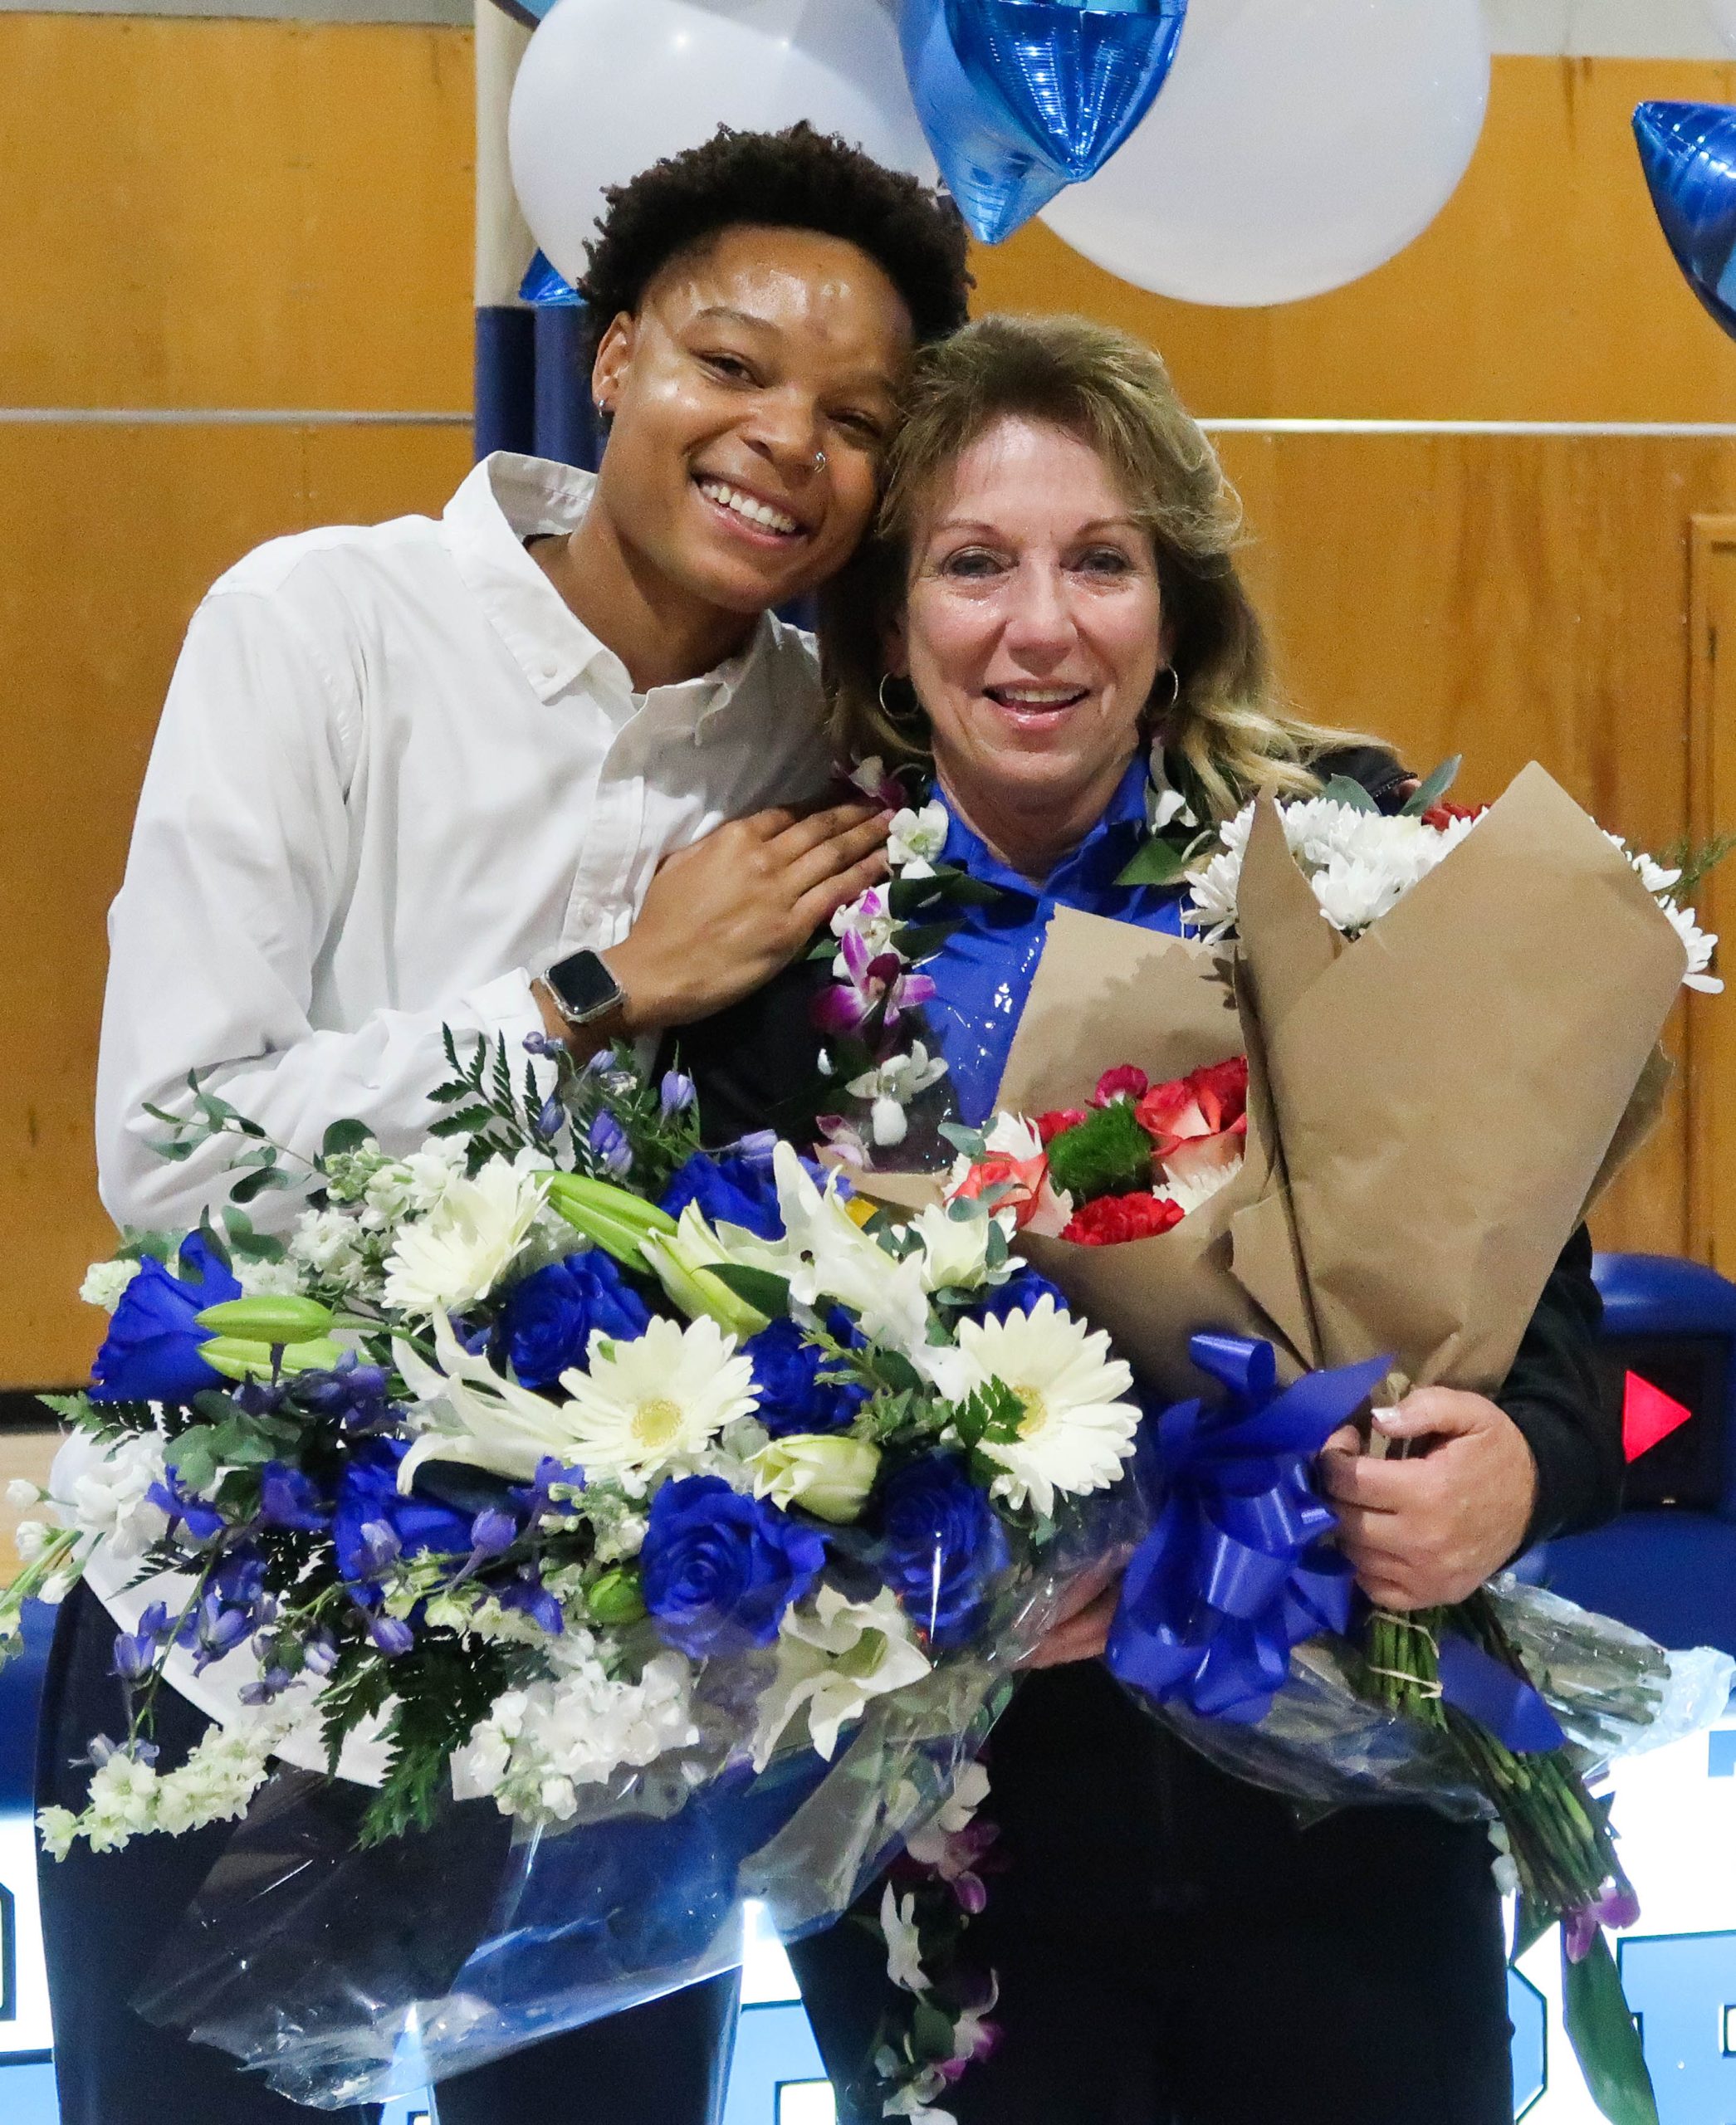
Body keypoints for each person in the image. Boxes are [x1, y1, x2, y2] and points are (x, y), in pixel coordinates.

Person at [45, 125, 971, 2125]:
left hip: (622, 1680)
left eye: (851, 418)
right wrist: (598, 987)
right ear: (617, 351)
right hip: (240, 1629)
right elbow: (178, 1145)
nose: (781, 442)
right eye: (731, 366)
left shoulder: (833, 741)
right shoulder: (322, 627)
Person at [672, 313, 1621, 2125]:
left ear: (1171, 604)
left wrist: (1515, 1467)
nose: (1040, 626)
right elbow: (710, 1412)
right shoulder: (777, 951)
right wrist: (914, 1569)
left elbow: (1544, 1319)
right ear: (886, 620)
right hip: (969, 1863)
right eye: (973, 563)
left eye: (1098, 560)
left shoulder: (1352, 867)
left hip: (1352, 1824)